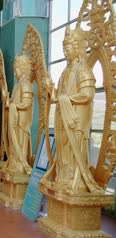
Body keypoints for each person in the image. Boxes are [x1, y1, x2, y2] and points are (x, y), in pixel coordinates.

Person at [47, 26, 102, 193]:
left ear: (78, 48)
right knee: (63, 151)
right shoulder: (65, 71)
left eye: (68, 47)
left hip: (75, 119)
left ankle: (76, 181)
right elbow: (60, 94)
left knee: (74, 149)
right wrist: (53, 92)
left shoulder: (83, 69)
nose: (65, 51)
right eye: (64, 47)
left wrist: (66, 99)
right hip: (64, 116)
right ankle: (64, 178)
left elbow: (87, 94)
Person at [2, 55, 33, 178]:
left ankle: (20, 166)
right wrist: (8, 102)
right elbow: (14, 101)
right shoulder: (17, 85)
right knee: (13, 145)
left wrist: (14, 105)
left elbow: (27, 103)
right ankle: (13, 165)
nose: (15, 72)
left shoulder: (26, 83)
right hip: (14, 119)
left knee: (19, 143)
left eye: (17, 69)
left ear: (24, 69)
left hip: (21, 121)